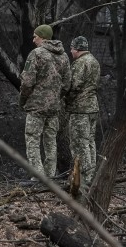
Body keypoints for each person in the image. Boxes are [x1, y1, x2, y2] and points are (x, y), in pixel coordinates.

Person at [19, 24, 70, 178]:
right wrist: (55, 98)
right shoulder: (64, 56)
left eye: (35, 36)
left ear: (42, 37)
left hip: (36, 107)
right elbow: (67, 84)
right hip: (54, 108)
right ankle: (50, 176)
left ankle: (39, 178)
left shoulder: (36, 54)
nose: (33, 40)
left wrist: (23, 100)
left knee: (32, 141)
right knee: (50, 142)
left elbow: (27, 82)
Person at [66, 35, 100, 185]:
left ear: (77, 48)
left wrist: (65, 98)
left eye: (72, 49)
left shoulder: (80, 63)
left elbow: (75, 85)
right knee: (90, 141)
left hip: (80, 109)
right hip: (92, 107)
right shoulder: (94, 61)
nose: (71, 52)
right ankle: (92, 174)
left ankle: (84, 177)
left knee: (80, 143)